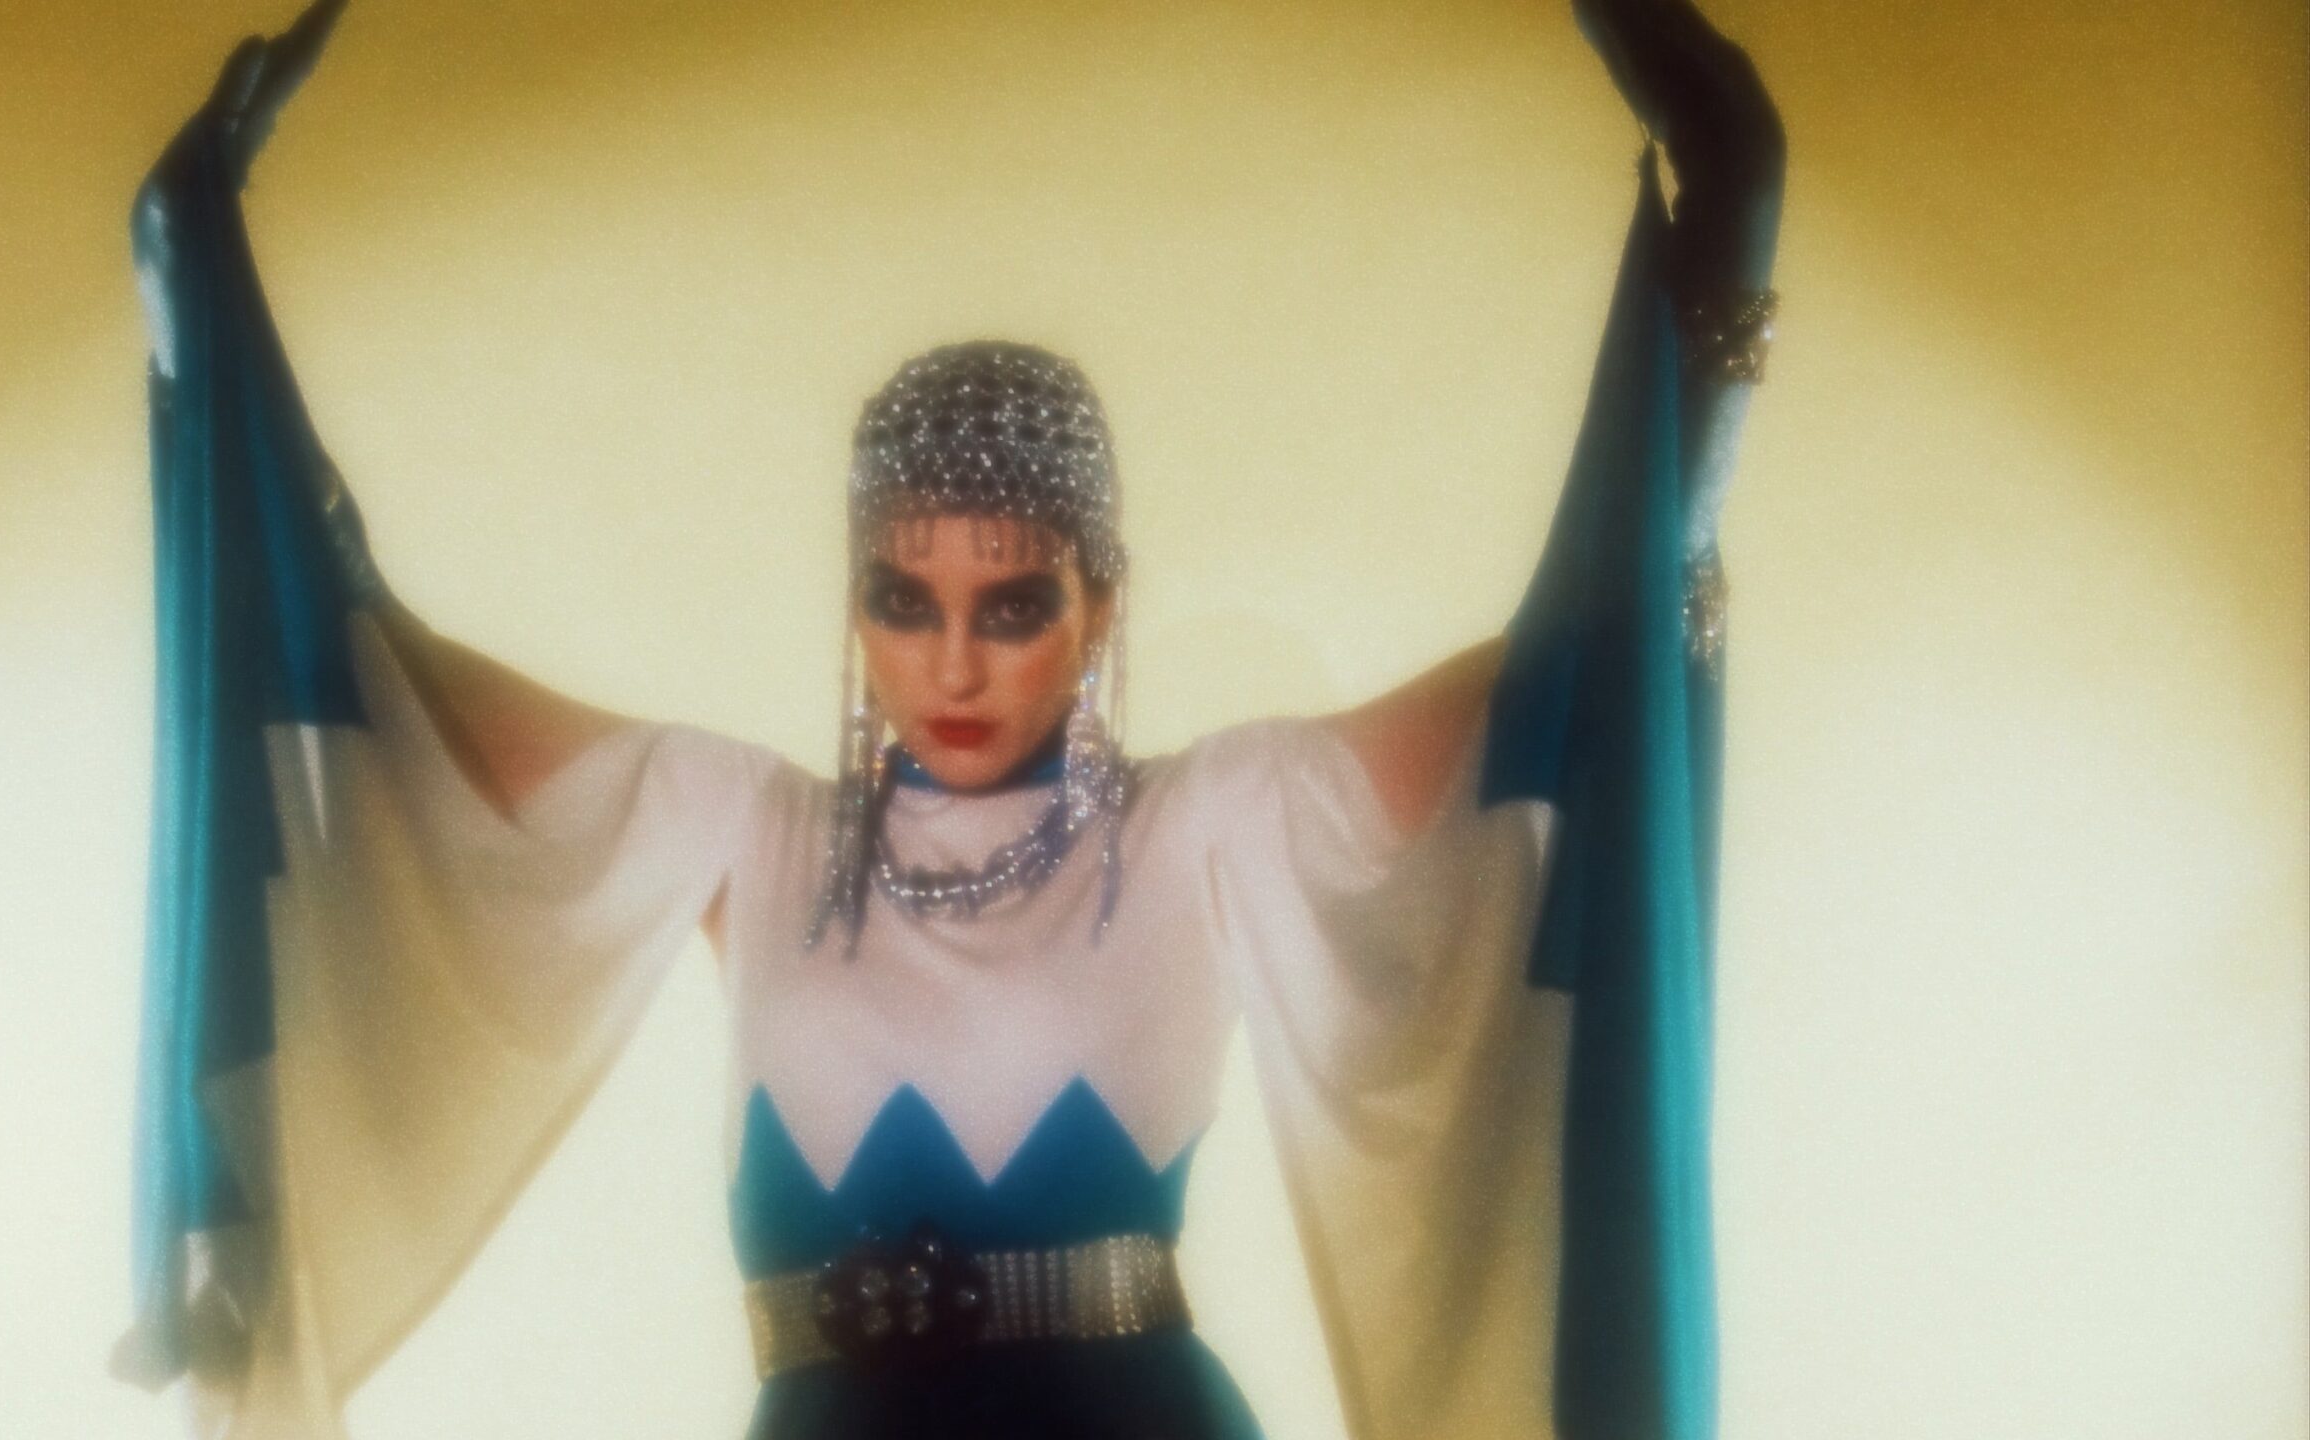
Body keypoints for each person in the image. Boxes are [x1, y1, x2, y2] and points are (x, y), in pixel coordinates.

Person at [115, 0, 1783, 1436]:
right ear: (856, 608)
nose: (957, 666)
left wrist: (1730, 218)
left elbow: (1584, 674)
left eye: (1014, 605)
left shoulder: (1206, 821)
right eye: (904, 605)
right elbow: (352, 689)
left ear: (1099, 608)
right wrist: (195, 307)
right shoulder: (744, 833)